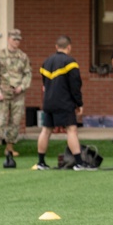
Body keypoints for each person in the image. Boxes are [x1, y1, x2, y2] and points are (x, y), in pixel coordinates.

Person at [35, 36, 90, 171]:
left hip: (48, 101)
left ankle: (41, 162)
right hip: (64, 102)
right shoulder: (70, 62)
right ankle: (78, 163)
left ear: (56, 47)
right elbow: (75, 85)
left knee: (46, 130)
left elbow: (44, 85)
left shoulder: (46, 62)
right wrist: (79, 103)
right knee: (71, 130)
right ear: (69, 47)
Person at [0, 29, 31, 158]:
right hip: (3, 93)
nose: (16, 42)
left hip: (17, 94)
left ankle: (9, 147)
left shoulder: (23, 57)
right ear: (8, 39)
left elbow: (27, 74)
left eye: (18, 39)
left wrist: (22, 87)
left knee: (15, 121)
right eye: (14, 39)